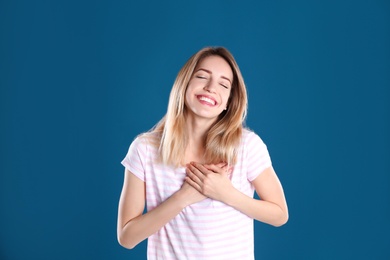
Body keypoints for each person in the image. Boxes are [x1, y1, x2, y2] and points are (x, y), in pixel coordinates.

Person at [117, 46, 288, 259]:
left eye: (223, 84)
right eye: (202, 76)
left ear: (228, 102)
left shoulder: (246, 147)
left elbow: (280, 214)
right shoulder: (144, 150)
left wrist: (226, 193)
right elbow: (127, 237)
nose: (210, 88)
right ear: (184, 83)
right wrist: (182, 198)